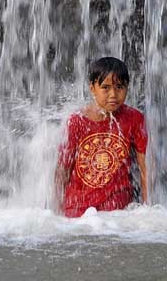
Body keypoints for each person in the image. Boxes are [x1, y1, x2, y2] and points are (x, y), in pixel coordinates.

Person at [55, 56, 149, 217]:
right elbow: (63, 170)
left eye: (120, 87)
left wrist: (149, 210)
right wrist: (56, 214)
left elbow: (145, 169)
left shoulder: (134, 119)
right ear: (92, 88)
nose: (113, 94)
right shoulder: (76, 121)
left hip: (119, 214)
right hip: (79, 213)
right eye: (105, 87)